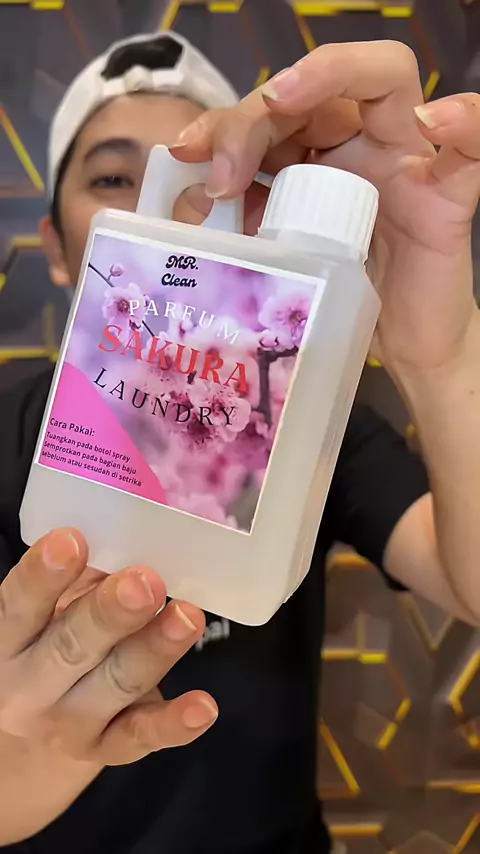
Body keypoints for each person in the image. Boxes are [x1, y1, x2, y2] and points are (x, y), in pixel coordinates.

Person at [0, 29, 479, 854]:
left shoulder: (308, 420)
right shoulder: (14, 438)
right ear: (56, 247)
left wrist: (441, 357)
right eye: (114, 178)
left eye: (209, 188)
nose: (170, 215)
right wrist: (31, 760)